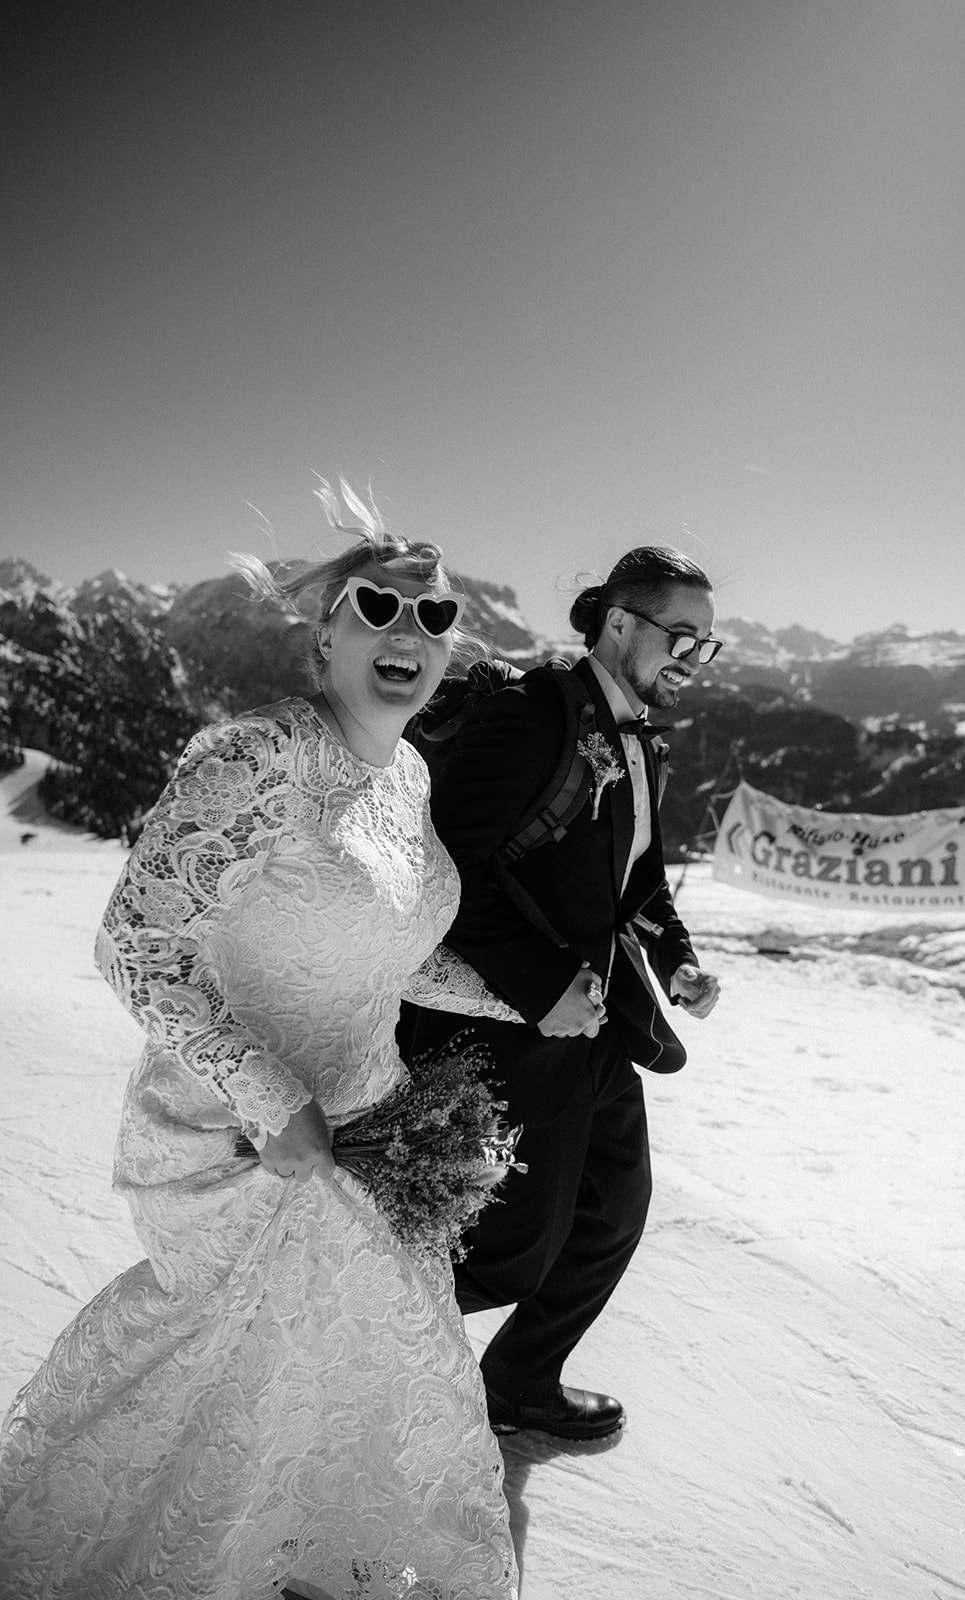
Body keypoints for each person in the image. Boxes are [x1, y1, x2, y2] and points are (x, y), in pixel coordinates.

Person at [0, 481, 520, 1600]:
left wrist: (511, 1000)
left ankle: (302, 1557)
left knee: (349, 1367)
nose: (408, 631)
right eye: (378, 606)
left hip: (370, 1127)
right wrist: (269, 1095)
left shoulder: (407, 773)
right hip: (244, 1141)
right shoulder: (259, 757)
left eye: (434, 615)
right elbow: (138, 943)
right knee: (218, 1370)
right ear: (325, 632)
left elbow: (380, 943)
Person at [402, 546, 722, 1443]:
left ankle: (518, 1382)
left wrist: (675, 961)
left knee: (615, 1208)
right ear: (618, 622)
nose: (693, 659)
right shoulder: (532, 714)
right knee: (508, 1252)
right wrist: (544, 989)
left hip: (596, 1020)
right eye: (681, 636)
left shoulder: (642, 739)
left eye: (706, 644)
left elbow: (637, 881)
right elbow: (444, 868)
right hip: (505, 1023)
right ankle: (327, 1336)